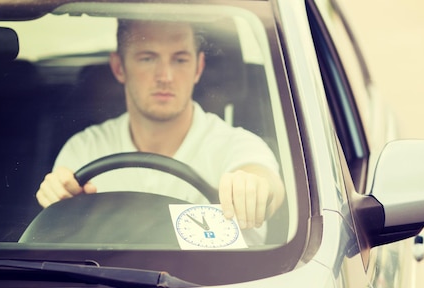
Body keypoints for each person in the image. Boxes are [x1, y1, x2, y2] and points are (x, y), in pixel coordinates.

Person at [36, 19, 284, 231]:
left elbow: (264, 181)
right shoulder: (85, 149)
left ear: (198, 68)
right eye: (148, 58)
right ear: (119, 67)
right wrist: (57, 193)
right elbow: (61, 220)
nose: (165, 76)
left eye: (180, 60)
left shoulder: (236, 145)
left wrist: (254, 189)